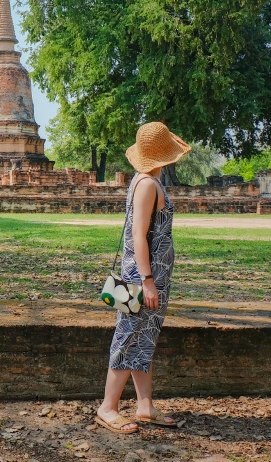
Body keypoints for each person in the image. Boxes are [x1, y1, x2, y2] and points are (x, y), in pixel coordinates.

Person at [95, 122, 191, 434]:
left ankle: (145, 405)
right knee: (127, 338)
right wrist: (148, 280)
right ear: (164, 156)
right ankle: (108, 407)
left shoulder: (145, 180)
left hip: (149, 277)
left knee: (143, 338)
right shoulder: (148, 184)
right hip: (141, 279)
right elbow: (138, 235)